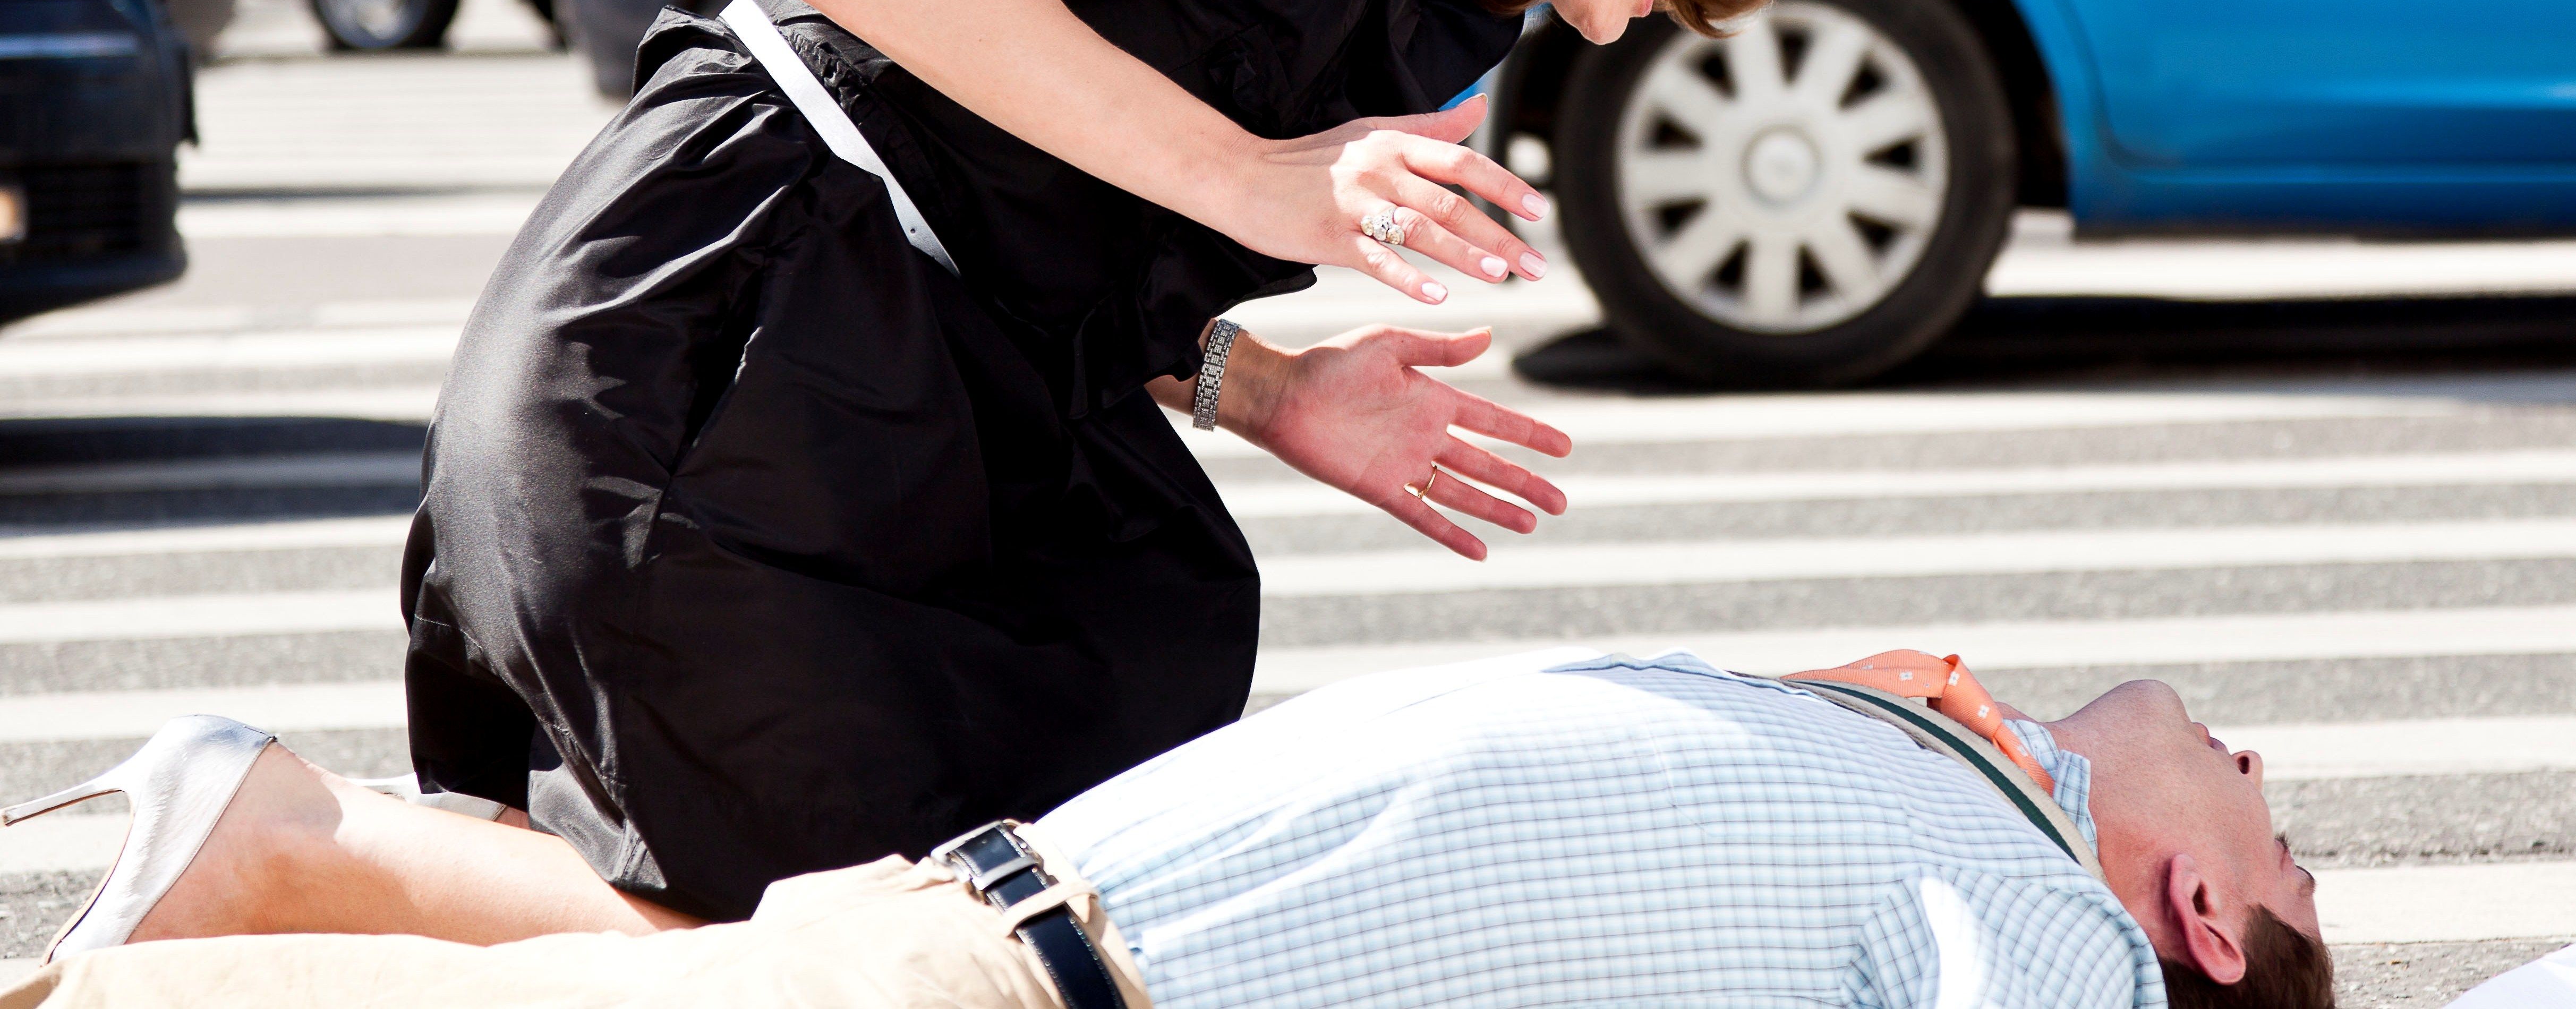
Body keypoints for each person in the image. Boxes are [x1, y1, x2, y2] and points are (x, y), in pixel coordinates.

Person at [3, 0, 2003, 955]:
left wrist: (1262, 379)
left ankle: (291, 872)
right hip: (706, 355)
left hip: (853, 384)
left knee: (1015, 856)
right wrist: (1268, 195)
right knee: (883, 942)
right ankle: (275, 842)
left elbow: (1012, 195)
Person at [0, 648, 2333, 1008]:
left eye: (2270, 813)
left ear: (2200, 915)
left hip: (1055, 958)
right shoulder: (1936, 774)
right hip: (1049, 920)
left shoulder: (2052, 931)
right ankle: (269, 841)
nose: (2258, 767)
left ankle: (256, 853)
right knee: (649, 970)